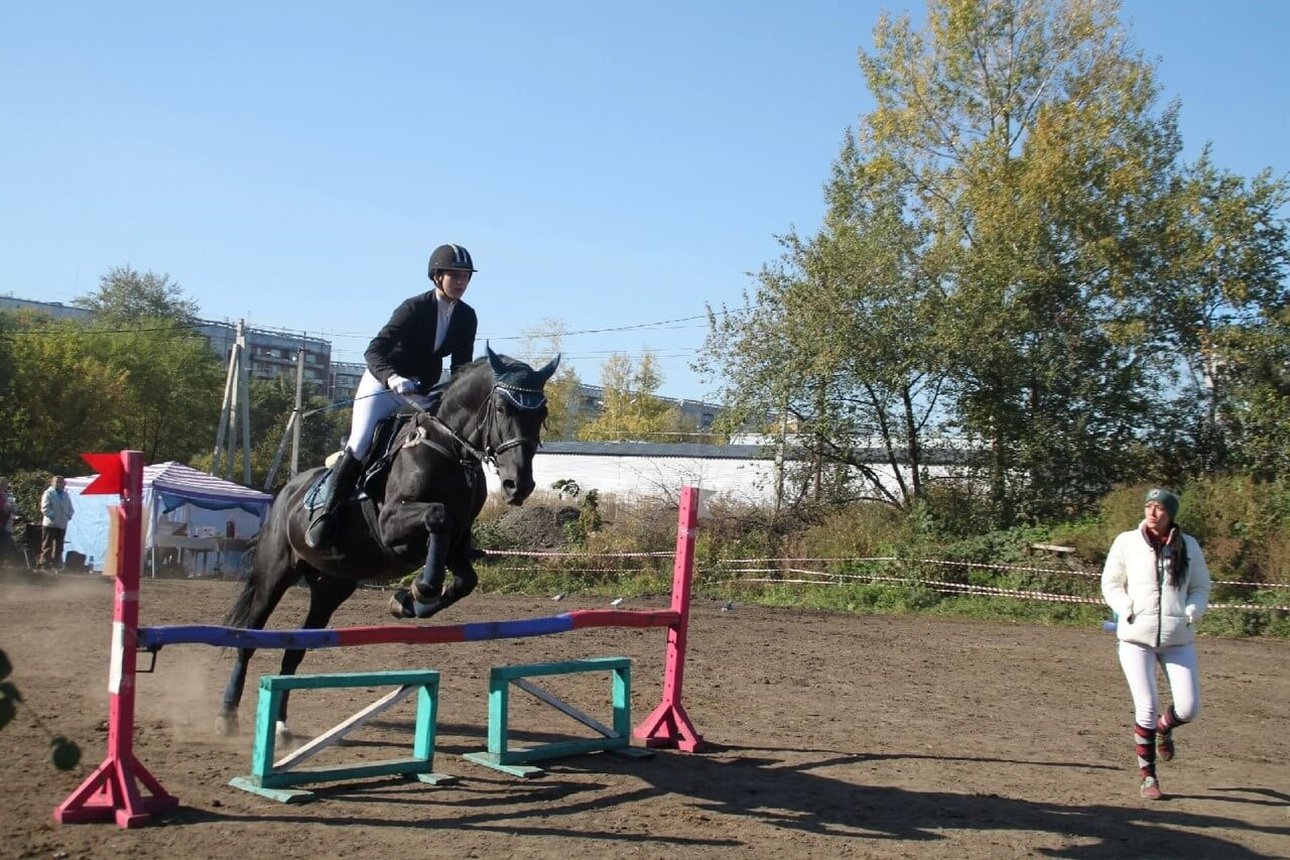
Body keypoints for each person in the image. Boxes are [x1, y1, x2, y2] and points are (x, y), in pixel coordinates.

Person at [305, 243, 479, 550]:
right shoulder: (413, 308)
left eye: (466, 276)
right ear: (437, 277)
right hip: (383, 386)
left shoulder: (467, 317)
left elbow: (461, 367)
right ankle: (326, 516)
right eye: (455, 275)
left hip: (420, 392)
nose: (462, 282)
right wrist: (393, 377)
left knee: (446, 439)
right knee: (360, 444)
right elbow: (373, 350)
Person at [1101, 487, 1211, 800]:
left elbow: (1201, 587)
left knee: (1189, 708)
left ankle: (1166, 727)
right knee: (1145, 707)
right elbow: (1110, 584)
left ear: (1171, 514)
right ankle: (1148, 777)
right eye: (1149, 506)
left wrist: (1192, 611)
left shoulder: (1188, 546)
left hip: (1178, 638)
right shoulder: (1126, 542)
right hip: (1136, 637)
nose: (1152, 512)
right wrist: (1127, 608)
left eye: (1159, 508)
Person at [39, 475, 75, 569]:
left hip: (62, 525)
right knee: (47, 546)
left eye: (61, 482)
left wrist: (68, 516)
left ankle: (55, 565)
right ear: (52, 483)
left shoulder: (66, 495)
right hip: (50, 524)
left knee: (59, 547)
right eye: (57, 482)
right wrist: (54, 517)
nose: (59, 484)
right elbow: (45, 508)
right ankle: (45, 565)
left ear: (64, 484)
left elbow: (71, 509)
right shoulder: (48, 493)